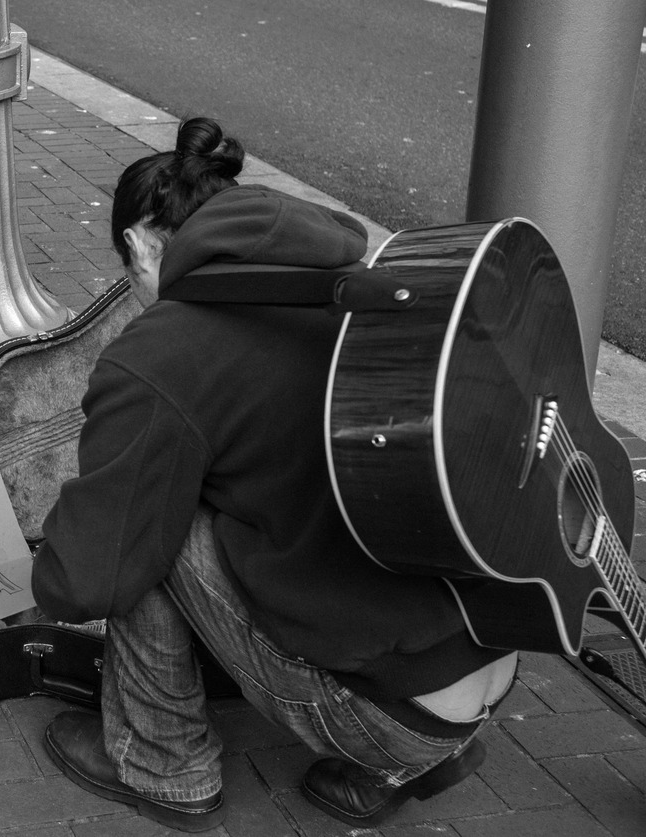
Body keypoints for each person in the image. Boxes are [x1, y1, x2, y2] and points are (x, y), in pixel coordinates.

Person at [30, 118, 518, 832]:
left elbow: (90, 578)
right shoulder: (355, 275)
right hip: (485, 663)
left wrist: (53, 564)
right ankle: (388, 769)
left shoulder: (161, 352)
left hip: (388, 713)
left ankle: (164, 764)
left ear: (138, 244)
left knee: (140, 527)